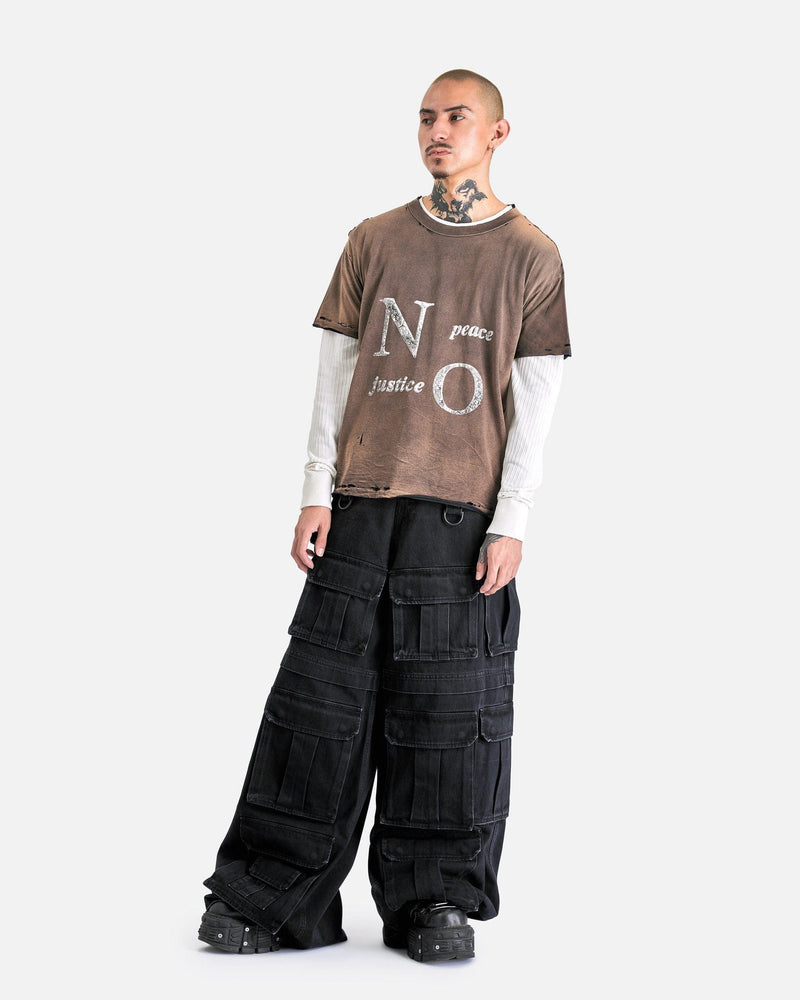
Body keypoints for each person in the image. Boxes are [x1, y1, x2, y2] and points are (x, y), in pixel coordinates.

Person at [198, 67, 571, 964]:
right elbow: (335, 374)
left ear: (498, 132)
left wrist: (513, 517)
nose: (438, 131)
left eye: (457, 117)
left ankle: (433, 900)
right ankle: (271, 893)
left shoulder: (532, 254)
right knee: (317, 706)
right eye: (426, 118)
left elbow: (537, 397)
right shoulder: (371, 239)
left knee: (449, 715)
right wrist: (313, 490)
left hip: (461, 523)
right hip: (360, 508)